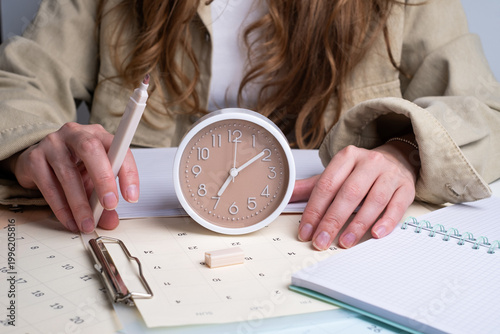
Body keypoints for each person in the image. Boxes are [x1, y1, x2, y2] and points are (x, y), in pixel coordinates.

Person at [0, 0, 499, 251]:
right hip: (152, 236)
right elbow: (18, 82)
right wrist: (38, 139)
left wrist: (405, 152)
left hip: (313, 237)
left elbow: (486, 109)